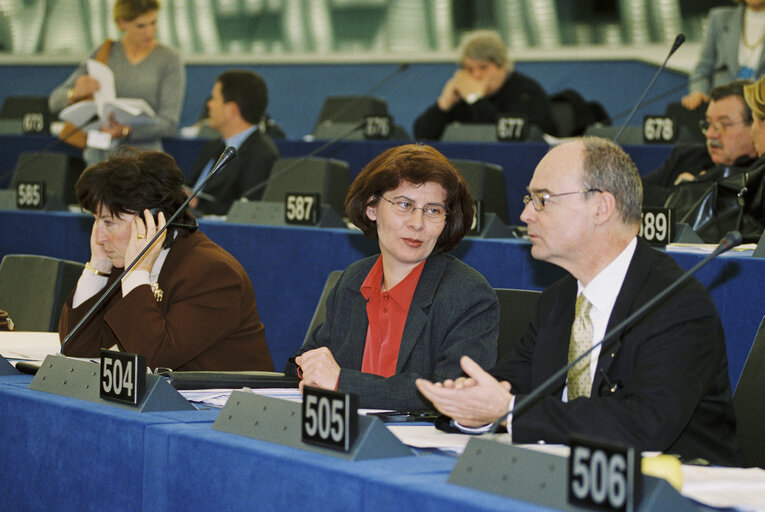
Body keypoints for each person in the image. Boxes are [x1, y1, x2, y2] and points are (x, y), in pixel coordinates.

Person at [417, 137, 741, 467]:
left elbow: (645, 425)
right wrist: (473, 406)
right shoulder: (558, 300)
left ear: (601, 207)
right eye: (529, 198)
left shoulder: (677, 305)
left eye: (542, 199)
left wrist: (510, 410)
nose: (526, 213)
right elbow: (511, 383)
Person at [284, 144, 498, 410]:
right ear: (372, 208)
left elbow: (453, 395)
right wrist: (311, 371)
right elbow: (303, 360)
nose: (417, 223)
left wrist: (342, 382)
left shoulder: (467, 294)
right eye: (405, 205)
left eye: (433, 210)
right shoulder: (355, 279)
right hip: (349, 435)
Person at [59, 150, 274, 372]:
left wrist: (137, 275)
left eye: (109, 222)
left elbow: (155, 360)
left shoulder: (213, 273)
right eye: (96, 220)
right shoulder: (123, 262)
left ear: (150, 220)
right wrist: (99, 269)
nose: (98, 237)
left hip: (226, 403)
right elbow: (76, 350)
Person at [48, 0, 185, 165]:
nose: (149, 31)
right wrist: (73, 93)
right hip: (98, 162)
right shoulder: (104, 53)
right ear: (122, 23)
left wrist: (126, 131)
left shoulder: (169, 59)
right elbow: (54, 101)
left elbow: (169, 124)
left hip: (145, 165)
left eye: (153, 23)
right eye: (140, 26)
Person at [413, 30, 555, 140]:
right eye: (469, 69)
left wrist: (476, 99)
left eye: (483, 68)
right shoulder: (463, 96)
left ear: (502, 67)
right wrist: (444, 104)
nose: (476, 75)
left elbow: (507, 136)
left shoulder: (525, 92)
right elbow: (421, 136)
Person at [644, 80, 758, 206]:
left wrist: (690, 192)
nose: (710, 134)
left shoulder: (758, 174)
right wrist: (681, 195)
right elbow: (635, 192)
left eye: (725, 125)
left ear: (754, 125)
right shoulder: (685, 157)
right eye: (708, 124)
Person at [186, 70, 280, 216]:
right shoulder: (212, 146)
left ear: (231, 110)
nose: (209, 104)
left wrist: (198, 204)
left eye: (214, 99)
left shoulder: (262, 155)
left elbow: (246, 212)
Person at [682, 0, 765, 111]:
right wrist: (698, 92)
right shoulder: (719, 18)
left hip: (760, 111)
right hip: (722, 109)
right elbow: (702, 69)